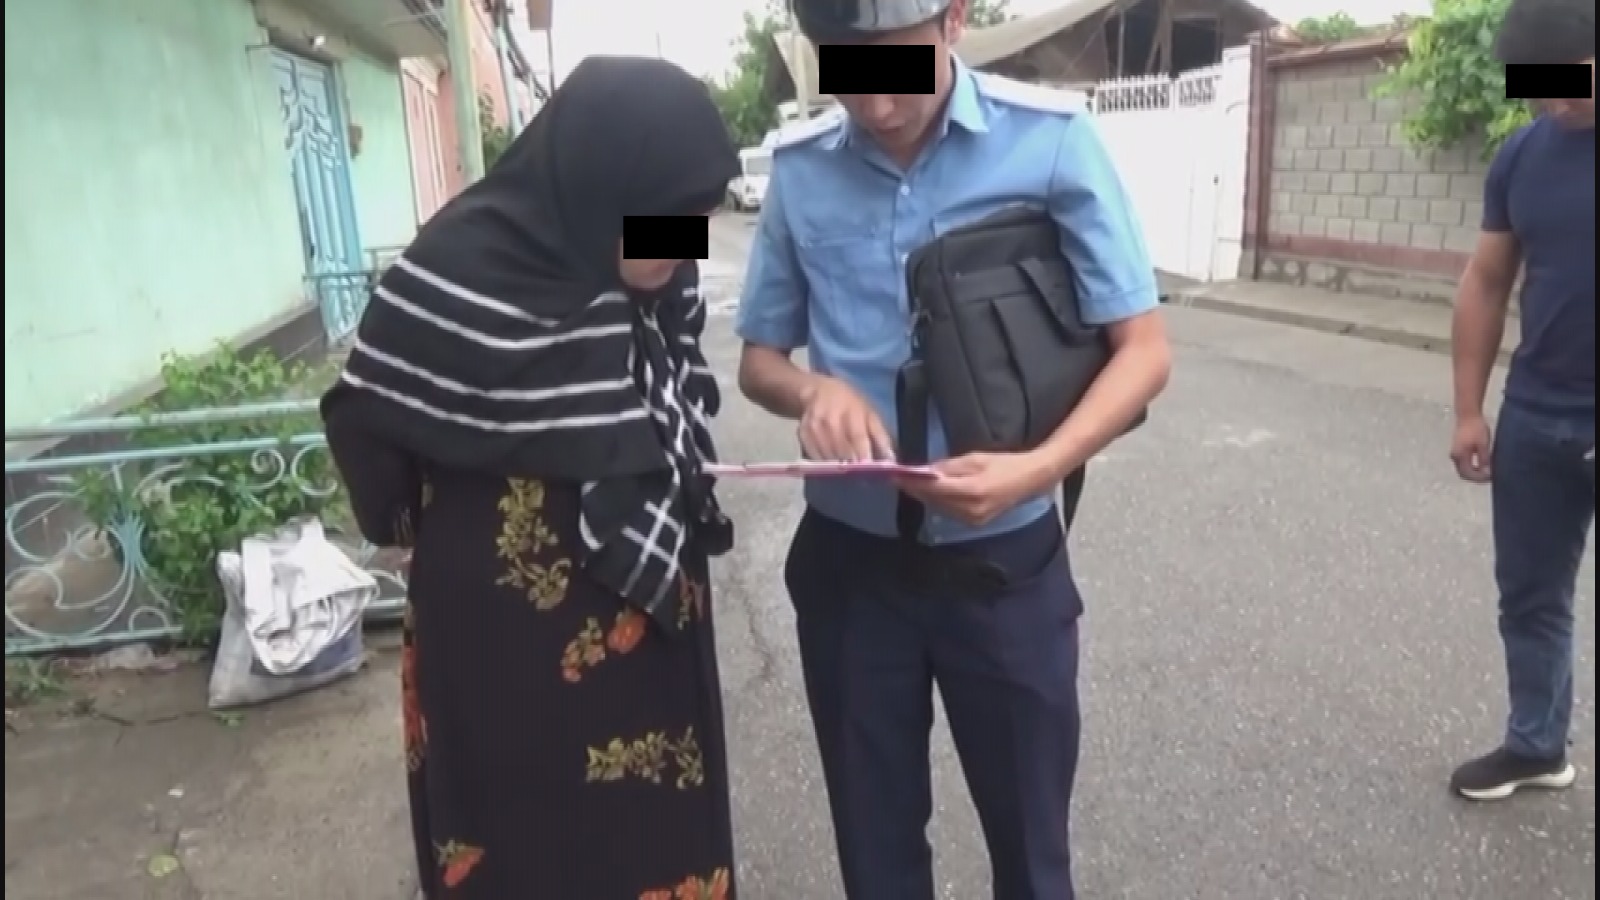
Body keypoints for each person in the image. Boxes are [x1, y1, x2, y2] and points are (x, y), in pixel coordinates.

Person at [735, 1, 1171, 896]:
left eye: (896, 68)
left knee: (1033, 858)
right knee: (877, 859)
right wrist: (814, 391)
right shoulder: (801, 172)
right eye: (845, 72)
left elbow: (1144, 352)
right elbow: (759, 362)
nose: (876, 106)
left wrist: (1036, 471)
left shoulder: (1052, 143)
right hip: (852, 572)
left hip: (1004, 569)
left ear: (954, 20)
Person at [320, 56, 741, 898]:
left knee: (658, 837)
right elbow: (370, 422)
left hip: (649, 628)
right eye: (665, 217)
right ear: (599, 184)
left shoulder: (664, 273)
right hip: (496, 639)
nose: (682, 241)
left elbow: (681, 389)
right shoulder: (455, 270)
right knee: (518, 843)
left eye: (697, 217)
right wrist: (414, 524)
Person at [1446, 0, 1594, 802]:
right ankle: (1536, 745)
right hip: (1537, 413)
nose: (1553, 100)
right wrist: (1469, 409)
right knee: (1531, 597)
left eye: (1571, 80)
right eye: (1536, 85)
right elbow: (1486, 281)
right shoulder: (1522, 155)